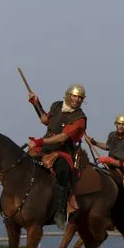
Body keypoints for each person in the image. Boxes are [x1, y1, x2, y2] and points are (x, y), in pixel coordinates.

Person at [27, 84, 87, 229]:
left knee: (62, 170)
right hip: (45, 147)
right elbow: (45, 120)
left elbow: (62, 137)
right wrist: (36, 103)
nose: (76, 99)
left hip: (63, 151)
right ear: (68, 95)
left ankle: (60, 212)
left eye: (79, 97)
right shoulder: (57, 105)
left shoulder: (80, 118)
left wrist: (39, 141)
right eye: (74, 96)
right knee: (25, 161)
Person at [86, 113, 124, 188]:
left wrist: (107, 159)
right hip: (109, 167)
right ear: (116, 124)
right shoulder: (112, 135)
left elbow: (123, 163)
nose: (121, 126)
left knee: (119, 189)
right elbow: (108, 146)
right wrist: (94, 142)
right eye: (119, 123)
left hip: (120, 170)